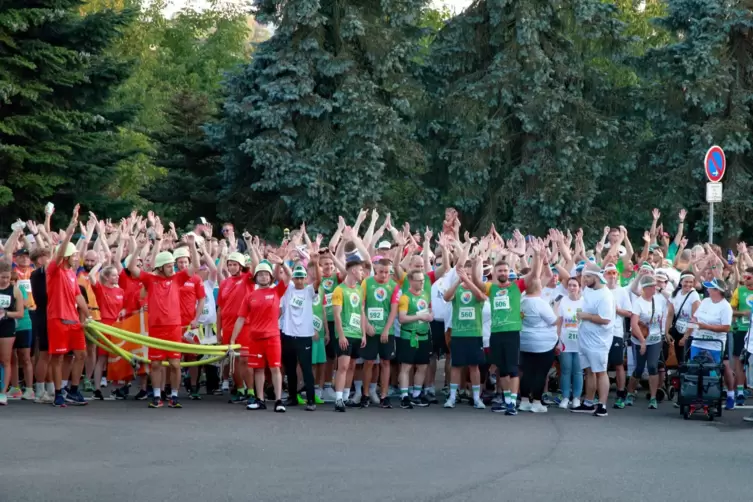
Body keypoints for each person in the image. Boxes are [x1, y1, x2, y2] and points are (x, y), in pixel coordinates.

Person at [129, 234, 200, 409]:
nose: (173, 268)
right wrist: (138, 247)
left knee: (175, 364)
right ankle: (156, 396)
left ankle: (174, 396)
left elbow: (196, 266)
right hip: (156, 328)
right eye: (169, 266)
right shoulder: (150, 279)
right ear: (160, 267)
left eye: (173, 265)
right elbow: (131, 268)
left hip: (174, 328)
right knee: (155, 364)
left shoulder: (177, 279)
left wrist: (192, 246)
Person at [229, 257, 290, 412]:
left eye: (266, 274)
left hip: (272, 337)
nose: (263, 277)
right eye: (260, 274)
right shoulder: (250, 296)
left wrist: (281, 263)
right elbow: (240, 319)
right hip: (255, 338)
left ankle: (278, 401)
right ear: (255, 277)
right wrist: (232, 339)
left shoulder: (276, 291)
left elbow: (288, 276)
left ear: (270, 277)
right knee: (258, 370)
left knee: (275, 368)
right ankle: (260, 400)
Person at [46, 205, 92, 407]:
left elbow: (78, 297)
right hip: (57, 319)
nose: (76, 258)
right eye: (73, 256)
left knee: (81, 354)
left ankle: (72, 389)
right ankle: (58, 393)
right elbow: (58, 254)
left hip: (73, 321)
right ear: (66, 256)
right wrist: (70, 231)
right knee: (57, 357)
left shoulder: (72, 274)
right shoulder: (53, 270)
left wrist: (88, 314)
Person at [518, 242, 557, 413]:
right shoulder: (541, 304)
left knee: (527, 372)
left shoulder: (520, 301)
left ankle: (525, 400)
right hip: (543, 344)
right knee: (540, 373)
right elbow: (553, 321)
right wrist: (556, 310)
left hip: (525, 341)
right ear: (538, 287)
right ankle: (537, 402)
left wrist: (539, 258)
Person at [443, 257, 487, 410]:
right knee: (456, 366)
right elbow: (446, 297)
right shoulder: (458, 289)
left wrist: (468, 281)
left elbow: (481, 297)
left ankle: (476, 398)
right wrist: (457, 281)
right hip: (458, 334)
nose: (466, 277)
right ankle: (452, 397)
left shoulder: (478, 289)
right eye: (465, 274)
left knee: (474, 367)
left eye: (469, 274)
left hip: (474, 334)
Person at [573, 262, 615, 417]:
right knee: (589, 371)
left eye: (588, 277)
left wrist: (587, 316)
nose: (584, 280)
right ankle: (588, 403)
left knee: (600, 372)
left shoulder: (605, 295)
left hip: (599, 342)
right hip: (585, 338)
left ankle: (602, 405)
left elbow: (605, 319)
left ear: (596, 278)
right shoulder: (589, 290)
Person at [687, 278, 735, 410]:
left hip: (715, 344)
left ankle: (729, 395)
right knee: (695, 369)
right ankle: (694, 397)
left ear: (716, 291)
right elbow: (695, 318)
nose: (707, 290)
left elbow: (726, 327)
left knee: (716, 371)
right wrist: (687, 334)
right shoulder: (705, 301)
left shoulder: (725, 307)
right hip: (698, 341)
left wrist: (706, 327)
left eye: (710, 288)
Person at [280, 262, 321, 411]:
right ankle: (292, 398)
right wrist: (282, 263)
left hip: (304, 336)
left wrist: (315, 262)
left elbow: (318, 280)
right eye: (296, 278)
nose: (298, 281)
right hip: (289, 335)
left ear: (305, 279)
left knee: (306, 369)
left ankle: (311, 400)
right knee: (290, 369)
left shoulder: (309, 291)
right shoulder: (288, 289)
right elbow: (285, 274)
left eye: (301, 278)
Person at [361, 258, 398, 408]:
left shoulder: (393, 286)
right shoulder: (366, 283)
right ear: (375, 270)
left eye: (387, 272)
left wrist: (386, 330)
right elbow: (361, 306)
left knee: (385, 362)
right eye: (381, 272)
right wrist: (367, 324)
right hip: (370, 330)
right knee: (369, 362)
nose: (384, 275)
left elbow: (394, 309)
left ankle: (384, 395)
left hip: (385, 330)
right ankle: (365, 394)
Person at [331, 253, 366, 412]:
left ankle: (345, 397)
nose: (362, 274)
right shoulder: (340, 290)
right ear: (353, 271)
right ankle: (338, 398)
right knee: (343, 366)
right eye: (360, 270)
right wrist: (341, 335)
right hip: (345, 333)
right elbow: (337, 314)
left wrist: (363, 333)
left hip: (357, 333)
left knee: (352, 366)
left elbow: (361, 311)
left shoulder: (359, 289)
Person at [217, 252, 254, 403]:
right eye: (230, 264)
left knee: (244, 359)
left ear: (241, 266)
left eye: (235, 264)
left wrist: (250, 246)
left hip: (244, 325)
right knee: (233, 360)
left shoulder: (247, 279)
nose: (232, 267)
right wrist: (219, 331)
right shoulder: (224, 283)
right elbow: (220, 309)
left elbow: (255, 266)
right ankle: (240, 389)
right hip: (227, 327)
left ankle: (251, 391)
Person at [627, 274, 668, 409]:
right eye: (651, 286)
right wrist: (642, 341)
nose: (654, 288)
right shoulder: (638, 302)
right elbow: (634, 324)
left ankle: (653, 396)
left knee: (652, 366)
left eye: (655, 286)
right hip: (639, 340)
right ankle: (630, 392)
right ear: (644, 288)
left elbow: (671, 303)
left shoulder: (659, 299)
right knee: (639, 368)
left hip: (655, 339)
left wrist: (664, 333)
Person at [172, 246, 206, 400]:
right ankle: (173, 388)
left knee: (193, 357)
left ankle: (194, 387)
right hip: (174, 324)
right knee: (174, 357)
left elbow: (201, 299)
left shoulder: (196, 279)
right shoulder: (173, 278)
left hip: (190, 324)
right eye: (180, 262)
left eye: (185, 262)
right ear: (175, 263)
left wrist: (196, 319)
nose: (183, 265)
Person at [397, 269, 433, 409]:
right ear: (411, 281)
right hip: (409, 336)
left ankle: (416, 394)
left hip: (424, 336)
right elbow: (402, 318)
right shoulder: (405, 297)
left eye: (423, 280)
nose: (421, 283)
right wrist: (420, 317)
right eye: (418, 280)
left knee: (423, 366)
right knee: (406, 366)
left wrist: (430, 314)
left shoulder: (425, 294)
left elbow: (429, 310)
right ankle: (404, 396)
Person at [90, 264, 126, 400]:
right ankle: (97, 388)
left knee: (117, 358)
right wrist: (100, 262)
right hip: (105, 325)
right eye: (114, 275)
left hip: (118, 327)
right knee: (102, 358)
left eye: (117, 274)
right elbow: (91, 276)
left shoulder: (120, 291)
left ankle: (116, 389)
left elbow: (125, 308)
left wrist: (124, 311)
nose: (117, 277)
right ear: (106, 277)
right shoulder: (100, 289)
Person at [605, 263, 632, 409]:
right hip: (600, 332)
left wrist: (617, 310)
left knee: (618, 363)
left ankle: (621, 394)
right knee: (601, 364)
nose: (612, 276)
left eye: (614, 273)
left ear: (618, 275)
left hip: (616, 332)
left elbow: (629, 313)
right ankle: (599, 394)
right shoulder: (600, 290)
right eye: (609, 273)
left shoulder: (622, 292)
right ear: (604, 276)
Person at [556, 277, 584, 409]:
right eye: (570, 285)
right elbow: (559, 322)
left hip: (580, 342)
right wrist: (558, 340)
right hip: (565, 341)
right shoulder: (563, 301)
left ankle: (577, 397)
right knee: (566, 370)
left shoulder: (584, 302)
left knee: (578, 371)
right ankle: (566, 397)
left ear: (579, 287)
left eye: (575, 285)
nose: (572, 288)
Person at [0, 262, 25, 405]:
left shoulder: (15, 290)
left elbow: (20, 313)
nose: (5, 280)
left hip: (7, 328)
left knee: (5, 359)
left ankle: (3, 392)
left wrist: (6, 314)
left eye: (7, 277)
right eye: (2, 277)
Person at [729, 268, 753, 406]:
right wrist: (741, 313)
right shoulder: (740, 291)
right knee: (739, 361)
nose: (745, 280)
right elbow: (731, 311)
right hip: (742, 330)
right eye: (744, 278)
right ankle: (739, 391)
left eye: (749, 278)